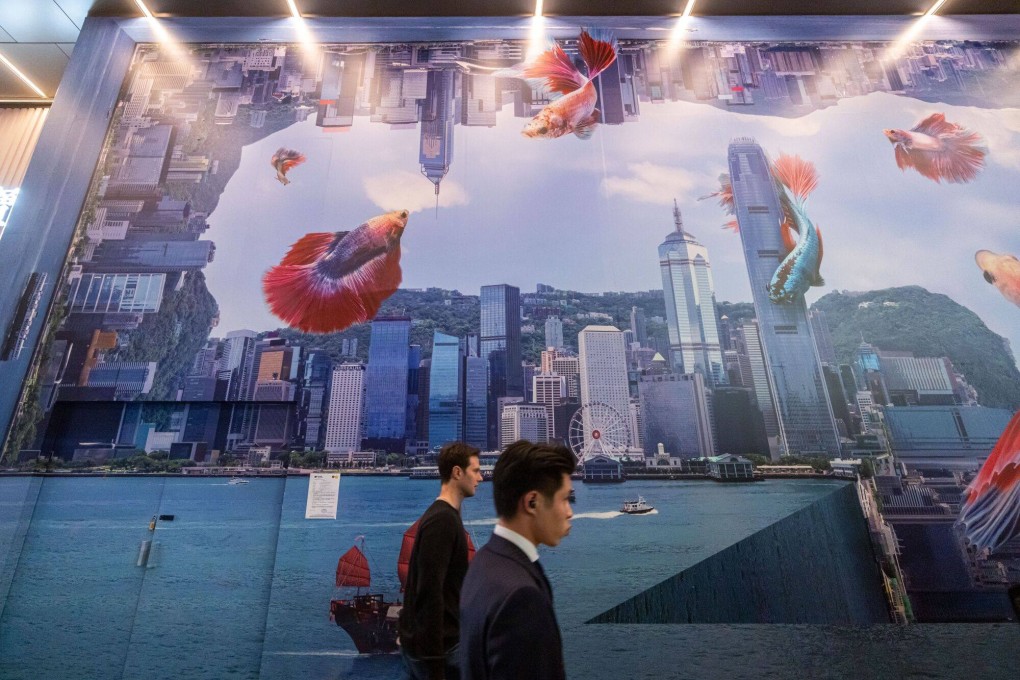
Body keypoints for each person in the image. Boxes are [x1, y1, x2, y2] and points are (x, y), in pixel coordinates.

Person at [459, 440, 576, 680]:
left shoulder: (483, 562)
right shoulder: (522, 598)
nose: (569, 512)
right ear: (532, 502)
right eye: (564, 499)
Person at [399, 442, 483, 680]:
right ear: (457, 472)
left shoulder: (444, 516)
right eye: (476, 471)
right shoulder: (443, 521)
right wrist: (435, 666)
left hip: (438, 649)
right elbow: (430, 592)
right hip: (442, 653)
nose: (481, 478)